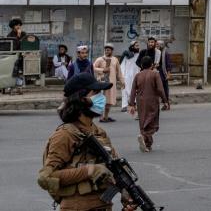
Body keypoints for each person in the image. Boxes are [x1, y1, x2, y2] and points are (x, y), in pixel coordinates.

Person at [37, 72, 132, 210]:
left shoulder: (99, 132)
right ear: (80, 99)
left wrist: (126, 191)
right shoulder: (65, 134)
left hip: (103, 205)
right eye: (96, 93)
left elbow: (115, 167)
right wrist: (89, 171)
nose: (101, 97)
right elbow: (45, 177)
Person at [128, 55, 167, 152]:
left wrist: (131, 104)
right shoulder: (155, 74)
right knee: (152, 122)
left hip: (140, 102)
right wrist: (165, 100)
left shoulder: (138, 75)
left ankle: (146, 144)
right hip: (152, 100)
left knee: (143, 121)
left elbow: (133, 91)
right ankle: (145, 137)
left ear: (141, 65)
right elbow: (160, 89)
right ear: (152, 65)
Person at [91, 45, 122, 122]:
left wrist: (122, 81)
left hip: (111, 83)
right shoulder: (100, 59)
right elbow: (92, 67)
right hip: (102, 83)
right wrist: (102, 70)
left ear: (112, 51)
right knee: (102, 100)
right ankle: (101, 117)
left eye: (108, 50)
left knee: (110, 100)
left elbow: (119, 72)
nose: (107, 51)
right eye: (106, 50)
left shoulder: (115, 60)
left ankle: (106, 116)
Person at [7, 17, 28, 93]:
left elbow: (26, 44)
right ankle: (11, 85)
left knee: (20, 70)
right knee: (13, 70)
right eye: (16, 25)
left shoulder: (24, 34)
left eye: (19, 25)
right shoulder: (10, 35)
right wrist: (18, 36)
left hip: (23, 55)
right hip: (13, 55)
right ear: (13, 26)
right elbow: (14, 46)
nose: (18, 27)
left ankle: (20, 85)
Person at [118, 41, 140, 112]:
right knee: (125, 90)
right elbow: (122, 66)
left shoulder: (139, 55)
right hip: (127, 76)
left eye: (138, 46)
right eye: (136, 46)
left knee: (136, 89)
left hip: (136, 75)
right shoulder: (126, 55)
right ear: (132, 46)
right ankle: (124, 105)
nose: (138, 47)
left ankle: (135, 104)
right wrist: (122, 76)